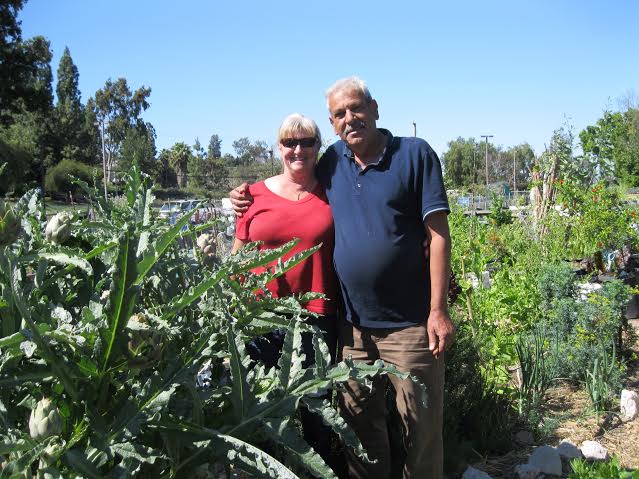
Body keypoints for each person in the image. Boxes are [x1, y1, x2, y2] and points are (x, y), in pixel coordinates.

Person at [231, 77, 454, 479]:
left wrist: (438, 310)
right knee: (360, 435)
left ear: (375, 108)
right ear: (332, 125)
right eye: (339, 114)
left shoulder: (414, 155)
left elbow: (438, 236)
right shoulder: (333, 162)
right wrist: (240, 196)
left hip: (410, 326)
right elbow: (286, 187)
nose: (349, 119)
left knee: (420, 435)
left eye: (355, 108)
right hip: (351, 329)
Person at [231, 113, 342, 474]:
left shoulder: (333, 193)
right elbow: (237, 255)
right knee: (258, 413)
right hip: (259, 318)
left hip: (315, 319)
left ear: (317, 147)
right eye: (290, 142)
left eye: (307, 142)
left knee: (316, 412)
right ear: (279, 147)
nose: (298, 149)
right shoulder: (251, 196)